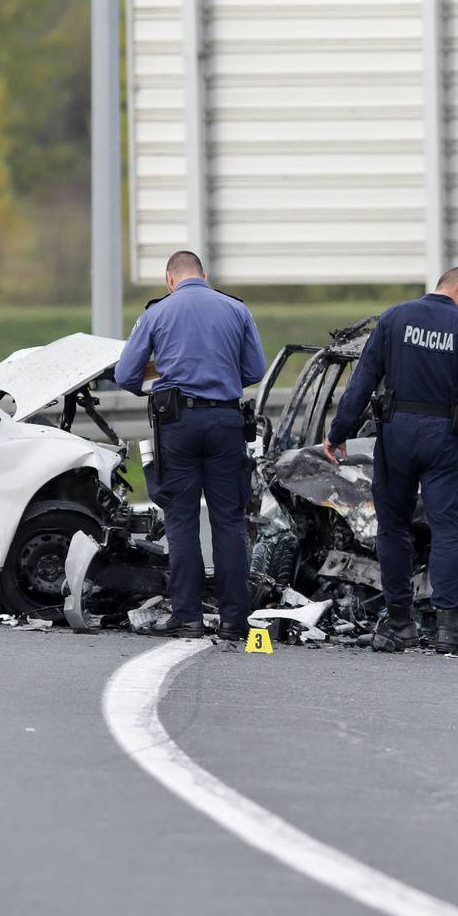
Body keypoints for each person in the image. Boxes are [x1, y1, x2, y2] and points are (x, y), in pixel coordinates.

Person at [323, 266, 458, 654]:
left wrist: (338, 434)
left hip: (396, 436)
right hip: (443, 439)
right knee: (447, 532)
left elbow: (362, 381)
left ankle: (401, 624)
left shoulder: (394, 318)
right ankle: (449, 631)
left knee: (393, 530)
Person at [114, 250, 267, 639]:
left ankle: (189, 617)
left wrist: (165, 369)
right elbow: (255, 370)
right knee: (229, 520)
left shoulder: (157, 313)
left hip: (177, 423)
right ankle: (235, 621)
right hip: (226, 422)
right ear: (205, 275)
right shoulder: (236, 310)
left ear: (170, 280)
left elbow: (125, 375)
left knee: (181, 518)